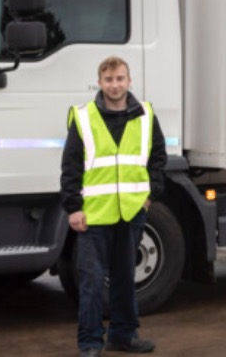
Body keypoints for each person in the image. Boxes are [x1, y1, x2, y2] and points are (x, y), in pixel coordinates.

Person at [61, 56, 167, 356]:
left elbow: (158, 158)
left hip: (132, 212)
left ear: (129, 81)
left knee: (124, 279)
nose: (115, 85)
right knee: (92, 282)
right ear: (100, 83)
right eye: (108, 80)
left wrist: (149, 197)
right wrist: (73, 207)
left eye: (120, 79)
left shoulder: (146, 115)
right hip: (94, 215)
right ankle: (90, 342)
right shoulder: (83, 117)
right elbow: (70, 167)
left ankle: (123, 336)